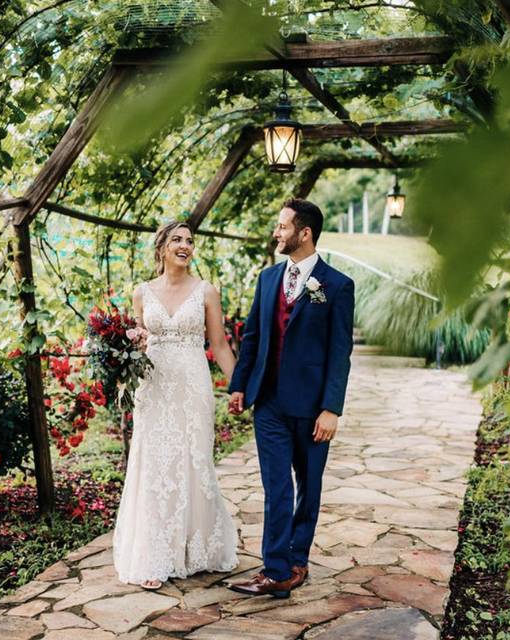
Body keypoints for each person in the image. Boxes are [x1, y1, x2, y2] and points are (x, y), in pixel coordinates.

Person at [227, 198, 355, 599]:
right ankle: (276, 570)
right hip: (269, 405)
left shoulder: (337, 285)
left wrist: (332, 408)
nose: (276, 233)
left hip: (314, 407)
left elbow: (340, 351)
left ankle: (298, 558)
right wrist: (239, 386)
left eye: (282, 227)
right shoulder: (267, 280)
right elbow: (252, 337)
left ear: (304, 233)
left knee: (309, 486)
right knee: (277, 487)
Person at [112, 221, 239, 590]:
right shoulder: (142, 293)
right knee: (154, 463)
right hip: (153, 388)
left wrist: (238, 387)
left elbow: (218, 344)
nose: (185, 246)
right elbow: (137, 342)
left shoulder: (206, 292)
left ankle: (195, 549)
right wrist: (122, 356)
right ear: (162, 247)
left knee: (193, 460)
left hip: (192, 385)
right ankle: (154, 554)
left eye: (189, 241)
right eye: (177, 240)